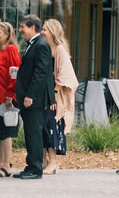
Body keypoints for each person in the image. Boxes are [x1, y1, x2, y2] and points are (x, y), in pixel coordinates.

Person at [14, 14, 54, 180]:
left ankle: (35, 168)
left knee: (34, 133)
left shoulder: (41, 45)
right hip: (27, 97)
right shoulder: (34, 44)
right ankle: (30, 166)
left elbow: (40, 73)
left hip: (34, 98)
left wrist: (30, 95)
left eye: (23, 26)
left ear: (32, 28)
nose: (21, 29)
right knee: (30, 133)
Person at [41, 20, 78, 174]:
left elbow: (65, 74)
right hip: (44, 95)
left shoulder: (60, 50)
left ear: (53, 31)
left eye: (45, 29)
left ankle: (54, 161)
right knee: (42, 126)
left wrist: (54, 95)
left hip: (54, 96)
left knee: (51, 127)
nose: (42, 32)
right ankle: (44, 160)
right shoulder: (45, 49)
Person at [0, 21, 23, 177]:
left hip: (6, 97)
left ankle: (6, 165)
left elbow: (14, 75)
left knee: (6, 132)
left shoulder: (11, 49)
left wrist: (10, 95)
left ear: (8, 34)